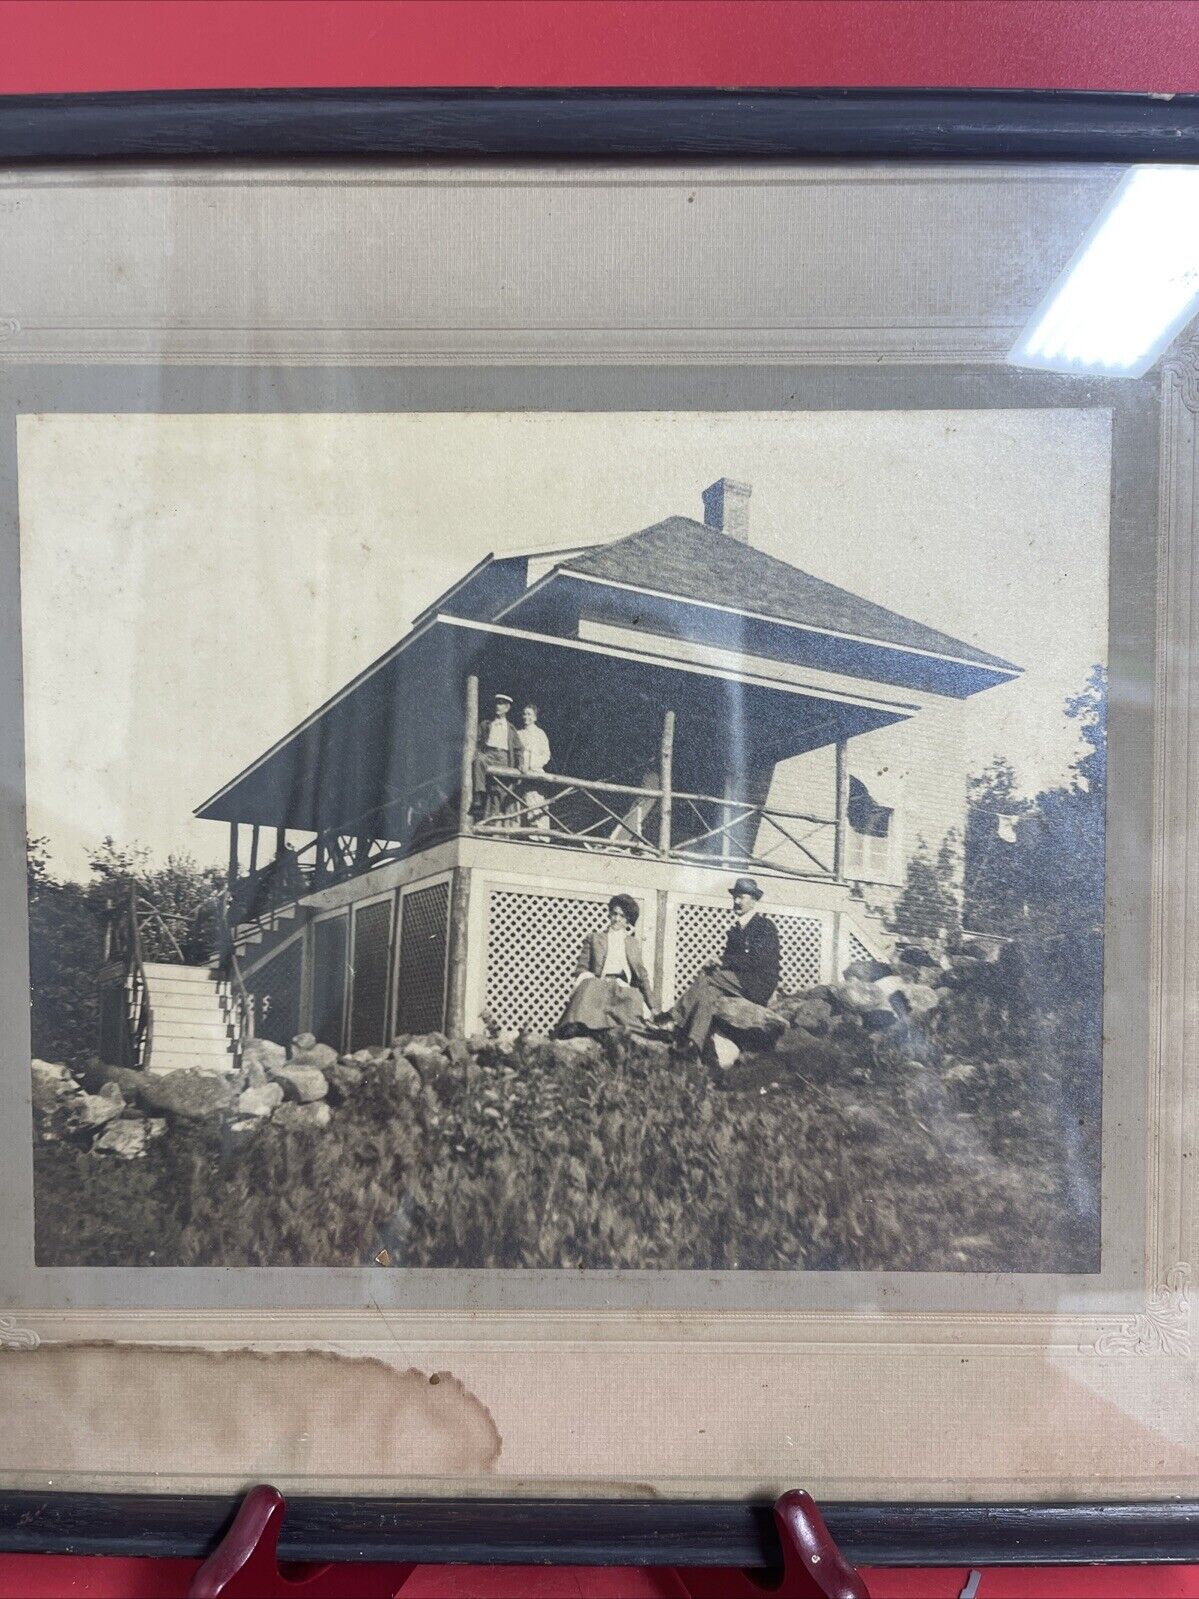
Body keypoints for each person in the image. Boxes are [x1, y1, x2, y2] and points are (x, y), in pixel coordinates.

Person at [670, 876, 780, 1056]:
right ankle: (694, 1044)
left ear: (753, 901)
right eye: (735, 897)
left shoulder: (764, 926)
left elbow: (758, 961)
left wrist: (724, 962)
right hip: (740, 981)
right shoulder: (735, 930)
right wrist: (718, 962)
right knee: (708, 992)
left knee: (709, 977)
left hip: (759, 983)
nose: (736, 902)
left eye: (741, 897)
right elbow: (731, 959)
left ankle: (674, 1018)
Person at [557, 894, 659, 1036]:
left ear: (627, 920)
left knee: (634, 996)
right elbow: (582, 968)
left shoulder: (633, 944)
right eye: (614, 914)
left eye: (622, 916)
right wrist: (586, 978)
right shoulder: (594, 938)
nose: (617, 919)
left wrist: (653, 1007)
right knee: (590, 986)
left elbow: (642, 976)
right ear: (610, 914)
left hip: (621, 988)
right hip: (599, 985)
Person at [471, 692, 520, 819]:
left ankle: (501, 819)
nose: (498, 706)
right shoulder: (486, 724)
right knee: (478, 760)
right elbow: (476, 740)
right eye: (497, 703)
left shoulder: (511, 728)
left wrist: (521, 763)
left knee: (499, 789)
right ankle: (478, 795)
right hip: (489, 754)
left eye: (502, 704)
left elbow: (518, 749)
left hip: (504, 757)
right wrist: (477, 751)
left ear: (507, 708)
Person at [515, 702, 552, 832]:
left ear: (535, 717)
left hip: (536, 772)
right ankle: (525, 834)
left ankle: (539, 835)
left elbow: (546, 754)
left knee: (537, 804)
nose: (526, 717)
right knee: (523, 803)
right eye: (524, 714)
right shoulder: (518, 733)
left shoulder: (540, 734)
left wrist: (535, 765)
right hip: (521, 773)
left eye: (529, 714)